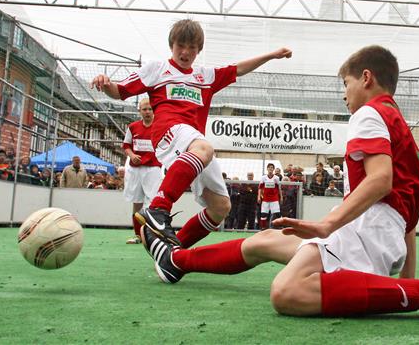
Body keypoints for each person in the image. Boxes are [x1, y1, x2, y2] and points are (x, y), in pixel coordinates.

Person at [138, 45, 419, 324]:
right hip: (378, 235)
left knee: (287, 292)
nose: (344, 92)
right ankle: (174, 261)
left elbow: (381, 181)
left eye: (346, 83)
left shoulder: (370, 113)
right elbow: (407, 220)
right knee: (264, 241)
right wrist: (403, 274)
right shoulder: (397, 123)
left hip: (366, 231)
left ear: (366, 78)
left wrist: (328, 224)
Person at [90, 18, 291, 249]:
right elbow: (119, 91)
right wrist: (105, 83)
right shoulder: (157, 69)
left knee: (221, 207)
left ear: (199, 50)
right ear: (171, 45)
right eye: (180, 46)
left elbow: (239, 68)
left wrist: (272, 55)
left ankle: (173, 254)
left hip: (194, 144)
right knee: (204, 148)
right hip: (168, 132)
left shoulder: (205, 76)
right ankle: (158, 207)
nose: (185, 52)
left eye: (192, 48)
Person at [122, 98, 164, 244]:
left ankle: (153, 235)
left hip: (153, 169)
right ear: (139, 110)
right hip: (135, 171)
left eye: (150, 109)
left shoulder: (160, 126)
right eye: (144, 109)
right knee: (137, 202)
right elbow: (126, 145)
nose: (147, 112)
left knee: (153, 202)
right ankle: (137, 235)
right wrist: (132, 156)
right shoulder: (133, 127)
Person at [258, 163, 282, 230]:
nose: (270, 169)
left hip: (274, 198)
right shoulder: (263, 178)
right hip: (265, 199)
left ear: (273, 169)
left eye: (272, 167)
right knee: (263, 214)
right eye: (269, 167)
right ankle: (263, 228)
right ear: (267, 169)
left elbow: (279, 188)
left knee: (277, 213)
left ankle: (280, 226)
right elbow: (260, 188)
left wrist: (281, 197)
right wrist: (259, 197)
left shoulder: (276, 178)